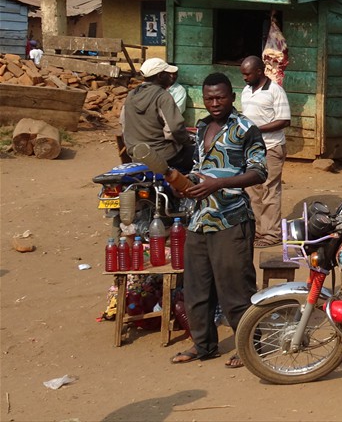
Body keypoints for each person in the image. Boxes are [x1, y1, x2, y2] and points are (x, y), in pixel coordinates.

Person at [171, 72, 267, 369]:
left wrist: (219, 184)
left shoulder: (245, 129)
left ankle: (250, 344)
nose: (214, 103)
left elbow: (259, 172)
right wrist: (188, 182)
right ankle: (203, 345)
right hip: (199, 218)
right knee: (197, 289)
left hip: (231, 218)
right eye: (209, 98)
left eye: (220, 97)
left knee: (235, 288)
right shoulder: (201, 128)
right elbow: (201, 166)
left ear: (232, 97)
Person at [239, 56, 291, 247]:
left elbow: (284, 120)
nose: (244, 78)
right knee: (253, 191)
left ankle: (271, 234)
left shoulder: (275, 91)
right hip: (251, 150)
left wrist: (256, 130)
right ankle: (258, 231)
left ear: (259, 72)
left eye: (247, 74)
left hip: (271, 148)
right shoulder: (246, 91)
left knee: (270, 190)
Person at [120, 58, 194, 173]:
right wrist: (187, 141)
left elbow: (123, 123)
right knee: (197, 155)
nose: (171, 77)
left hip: (137, 155)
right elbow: (174, 129)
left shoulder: (131, 95)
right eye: (167, 74)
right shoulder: (163, 96)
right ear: (160, 76)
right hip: (165, 156)